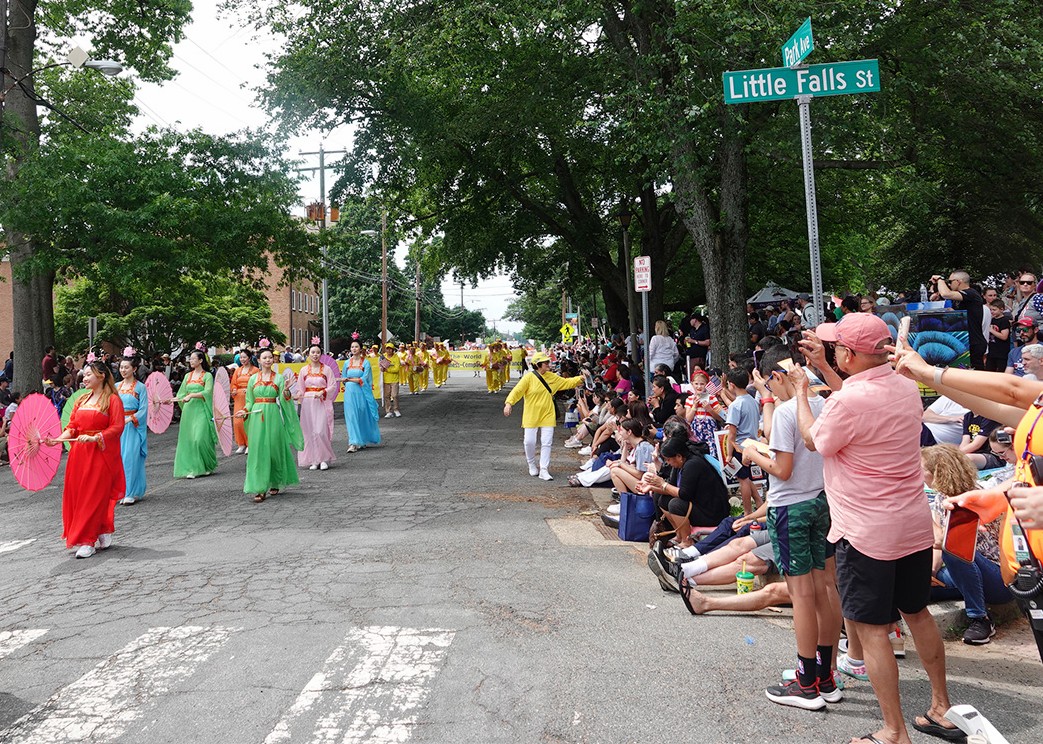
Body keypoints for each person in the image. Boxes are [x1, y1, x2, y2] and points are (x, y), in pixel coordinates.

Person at [793, 312, 959, 744]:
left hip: (866, 530)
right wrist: (828, 372)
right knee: (917, 613)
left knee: (870, 630)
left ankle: (893, 730)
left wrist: (798, 393)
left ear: (849, 352)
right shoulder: (906, 388)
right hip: (911, 523)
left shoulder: (845, 402)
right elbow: (859, 396)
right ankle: (941, 705)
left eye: (836, 348)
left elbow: (815, 440)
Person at [892, 342, 1043, 661]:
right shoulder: (1037, 406)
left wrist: (929, 372)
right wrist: (997, 496)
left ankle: (979, 618)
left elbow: (1013, 391)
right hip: (1028, 568)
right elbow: (997, 405)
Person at [741, 344, 842, 710]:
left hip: (791, 506)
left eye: (770, 384)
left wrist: (753, 453)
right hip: (821, 501)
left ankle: (806, 683)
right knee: (825, 588)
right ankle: (826, 675)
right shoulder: (823, 403)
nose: (770, 391)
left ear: (778, 375)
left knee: (801, 595)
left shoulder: (787, 412)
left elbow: (782, 470)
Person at [921, 445, 1013, 645]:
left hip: (996, 575)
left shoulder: (973, 498)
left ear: (937, 472)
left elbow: (948, 545)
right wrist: (932, 573)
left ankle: (980, 619)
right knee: (916, 584)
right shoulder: (940, 498)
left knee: (954, 550)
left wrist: (921, 509)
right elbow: (939, 547)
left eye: (922, 469)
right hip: (966, 571)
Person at [43, 361, 125, 558]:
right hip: (79, 455)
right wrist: (57, 440)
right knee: (79, 496)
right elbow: (72, 427)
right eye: (84, 375)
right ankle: (102, 528)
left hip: (99, 455)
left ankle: (87, 540)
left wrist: (96, 437)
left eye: (89, 374)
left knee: (93, 496)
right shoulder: (81, 400)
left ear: (101, 376)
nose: (84, 378)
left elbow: (117, 427)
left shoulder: (112, 400)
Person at [639, 433, 730, 550]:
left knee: (676, 504)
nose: (668, 463)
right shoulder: (679, 465)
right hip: (696, 504)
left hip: (711, 511)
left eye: (668, 459)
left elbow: (684, 494)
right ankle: (679, 535)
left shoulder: (693, 464)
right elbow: (671, 488)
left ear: (679, 456)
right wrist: (651, 487)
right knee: (662, 499)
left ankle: (687, 541)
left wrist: (662, 484)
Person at [503, 352, 586, 480]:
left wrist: (581, 378)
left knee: (547, 442)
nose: (549, 364)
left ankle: (544, 469)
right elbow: (517, 391)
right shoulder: (529, 378)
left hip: (548, 413)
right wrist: (509, 403)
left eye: (548, 361)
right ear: (538, 365)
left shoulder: (552, 377)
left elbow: (566, 382)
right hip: (531, 414)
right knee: (529, 441)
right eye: (546, 362)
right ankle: (531, 464)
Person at [238, 347, 303, 503]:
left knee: (274, 448)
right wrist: (244, 410)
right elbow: (249, 401)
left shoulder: (279, 378)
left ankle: (275, 481)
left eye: (270, 357)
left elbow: (285, 399)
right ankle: (260, 487)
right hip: (256, 416)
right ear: (259, 360)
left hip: (273, 414)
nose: (267, 360)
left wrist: (287, 390)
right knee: (258, 451)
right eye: (264, 358)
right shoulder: (253, 379)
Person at [171, 348, 218, 479]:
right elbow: (182, 393)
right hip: (189, 411)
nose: (190, 361)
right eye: (190, 359)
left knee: (200, 438)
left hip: (202, 409)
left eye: (193, 358)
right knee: (189, 439)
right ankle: (192, 468)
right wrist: (176, 399)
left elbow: (208, 392)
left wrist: (192, 395)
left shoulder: (207, 376)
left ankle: (207, 465)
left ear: (201, 360)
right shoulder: (188, 376)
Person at [723, 368, 761, 515]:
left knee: (743, 480)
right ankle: (758, 501)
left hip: (739, 446)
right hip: (753, 443)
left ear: (731, 385)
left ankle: (747, 512)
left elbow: (732, 433)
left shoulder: (735, 405)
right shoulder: (752, 401)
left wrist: (728, 454)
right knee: (747, 477)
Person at [297, 343, 339, 470]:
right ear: (308, 354)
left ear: (321, 354)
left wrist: (323, 392)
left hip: (322, 402)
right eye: (312, 352)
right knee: (309, 432)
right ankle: (313, 459)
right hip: (308, 403)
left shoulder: (327, 369)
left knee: (321, 431)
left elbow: (332, 385)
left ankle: (324, 458)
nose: (315, 355)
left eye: (318, 352)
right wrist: (297, 395)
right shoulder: (304, 370)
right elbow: (300, 388)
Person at [932, 271, 986, 369]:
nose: (949, 284)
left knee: (977, 375)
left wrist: (940, 279)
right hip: (964, 341)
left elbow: (945, 294)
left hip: (974, 341)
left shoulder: (971, 293)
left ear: (958, 281)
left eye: (950, 281)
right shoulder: (959, 299)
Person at [116, 350, 148, 505]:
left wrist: (131, 418)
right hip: (117, 427)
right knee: (118, 459)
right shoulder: (115, 387)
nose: (123, 370)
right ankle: (121, 491)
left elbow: (143, 409)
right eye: (121, 367)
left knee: (130, 458)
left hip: (132, 427)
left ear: (134, 369)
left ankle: (130, 491)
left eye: (126, 367)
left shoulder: (141, 387)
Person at [342, 341, 381, 453]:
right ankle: (353, 442)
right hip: (349, 392)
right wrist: (349, 381)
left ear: (360, 349)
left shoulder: (366, 363)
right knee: (351, 416)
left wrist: (350, 380)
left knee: (361, 414)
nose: (354, 349)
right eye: (352, 346)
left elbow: (364, 379)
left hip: (361, 392)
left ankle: (362, 439)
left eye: (356, 347)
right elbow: (344, 377)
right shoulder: (346, 363)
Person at [230, 347, 258, 454]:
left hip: (250, 397)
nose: (242, 359)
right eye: (240, 357)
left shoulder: (255, 371)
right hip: (239, 397)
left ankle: (250, 443)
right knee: (238, 421)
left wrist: (250, 389)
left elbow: (257, 383)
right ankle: (241, 443)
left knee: (248, 420)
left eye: (244, 357)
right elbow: (233, 384)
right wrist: (234, 390)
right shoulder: (238, 371)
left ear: (249, 358)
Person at [985, 299, 1011, 373]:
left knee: (1001, 371)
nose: (992, 312)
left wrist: (992, 330)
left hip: (1001, 353)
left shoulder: (1004, 320)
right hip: (992, 351)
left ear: (1001, 309)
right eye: (991, 310)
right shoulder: (991, 320)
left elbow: (1004, 336)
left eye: (994, 310)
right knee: (989, 371)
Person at [380, 343, 402, 418]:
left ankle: (396, 409)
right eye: (387, 348)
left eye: (390, 349)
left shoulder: (396, 357)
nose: (389, 350)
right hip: (386, 380)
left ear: (393, 350)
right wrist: (382, 369)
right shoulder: (383, 357)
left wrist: (387, 369)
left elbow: (397, 369)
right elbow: (380, 367)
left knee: (394, 395)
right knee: (386, 396)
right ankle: (388, 411)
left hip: (394, 380)